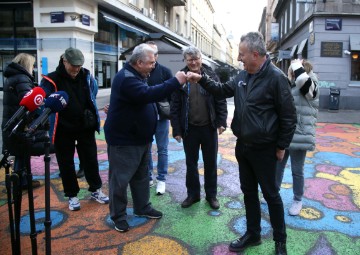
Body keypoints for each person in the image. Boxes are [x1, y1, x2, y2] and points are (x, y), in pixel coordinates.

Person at [186, 32, 297, 255]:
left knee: (271, 195)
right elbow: (222, 90)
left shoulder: (276, 78)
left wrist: (281, 146)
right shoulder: (242, 75)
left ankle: (280, 242)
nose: (238, 58)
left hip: (265, 149)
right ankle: (253, 234)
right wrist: (202, 79)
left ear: (255, 54)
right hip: (243, 146)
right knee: (248, 193)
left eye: (242, 54)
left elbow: (289, 116)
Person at [104, 43, 187, 232]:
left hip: (140, 138)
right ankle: (118, 216)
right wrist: (176, 81)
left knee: (141, 176)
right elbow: (147, 95)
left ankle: (142, 207)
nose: (154, 65)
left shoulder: (137, 75)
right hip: (124, 140)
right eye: (151, 62)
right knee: (120, 180)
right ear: (139, 62)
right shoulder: (126, 78)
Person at [40, 47, 109, 211]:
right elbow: (44, 100)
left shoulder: (86, 75)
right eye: (73, 65)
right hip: (63, 129)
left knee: (91, 159)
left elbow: (93, 92)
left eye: (79, 65)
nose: (76, 69)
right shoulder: (51, 79)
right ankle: (72, 195)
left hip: (85, 126)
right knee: (66, 163)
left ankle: (95, 189)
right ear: (64, 61)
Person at [171, 46, 227, 210]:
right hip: (190, 129)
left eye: (196, 59)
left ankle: (211, 196)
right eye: (190, 60)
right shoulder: (180, 78)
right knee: (191, 164)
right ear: (185, 61)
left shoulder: (210, 75)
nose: (194, 62)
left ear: (201, 59)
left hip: (208, 127)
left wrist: (221, 121)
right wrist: (177, 129)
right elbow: (174, 106)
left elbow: (220, 99)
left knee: (210, 164)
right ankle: (193, 195)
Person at [276, 59, 319, 216]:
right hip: (285, 133)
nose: (291, 73)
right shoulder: (292, 82)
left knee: (297, 170)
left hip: (300, 134)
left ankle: (297, 199)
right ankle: (274, 192)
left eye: (292, 70)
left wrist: (295, 65)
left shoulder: (310, 83)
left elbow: (303, 82)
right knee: (278, 166)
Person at [1, 53, 41, 189]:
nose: (34, 68)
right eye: (33, 64)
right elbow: (28, 102)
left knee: (20, 152)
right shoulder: (22, 79)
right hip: (19, 123)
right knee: (22, 151)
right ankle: (22, 181)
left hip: (12, 121)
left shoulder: (12, 78)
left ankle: (19, 179)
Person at [145, 41, 173, 195]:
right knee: (146, 148)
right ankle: (148, 176)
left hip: (161, 117)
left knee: (162, 149)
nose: (152, 56)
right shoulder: (141, 70)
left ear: (157, 55)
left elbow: (172, 94)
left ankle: (161, 179)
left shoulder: (165, 71)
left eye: (154, 53)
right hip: (145, 117)